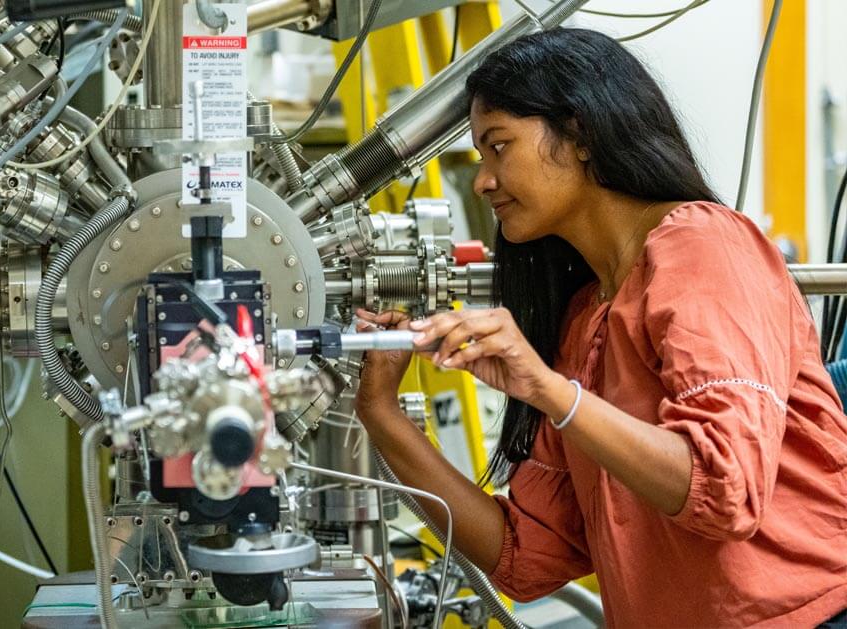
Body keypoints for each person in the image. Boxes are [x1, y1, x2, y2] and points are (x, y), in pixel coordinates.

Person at [355, 28, 847, 628]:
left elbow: (725, 488)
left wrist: (550, 391)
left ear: (581, 135)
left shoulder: (701, 245)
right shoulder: (587, 314)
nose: (484, 180)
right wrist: (382, 413)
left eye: (499, 145)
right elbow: (525, 559)